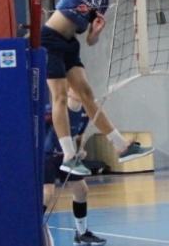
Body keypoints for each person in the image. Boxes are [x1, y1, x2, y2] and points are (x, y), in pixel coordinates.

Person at [41, 0, 153, 176]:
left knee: (88, 95)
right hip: (50, 38)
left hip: (71, 44)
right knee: (61, 98)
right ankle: (68, 156)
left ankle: (121, 146)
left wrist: (96, 32)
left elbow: (90, 40)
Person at [43, 90, 106, 246]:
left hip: (68, 157)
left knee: (81, 190)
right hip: (47, 155)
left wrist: (80, 149)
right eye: (73, 87)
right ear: (67, 92)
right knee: (48, 193)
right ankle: (31, 228)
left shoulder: (84, 112)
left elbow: (79, 135)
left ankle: (81, 233)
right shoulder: (51, 111)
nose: (79, 89)